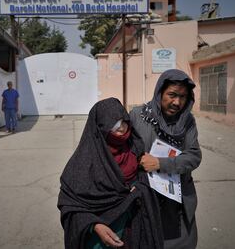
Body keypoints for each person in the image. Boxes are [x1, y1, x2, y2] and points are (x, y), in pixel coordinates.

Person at [58, 98, 164, 249]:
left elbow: (145, 178)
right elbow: (69, 204)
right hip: (99, 238)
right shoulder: (84, 161)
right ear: (100, 129)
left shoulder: (134, 147)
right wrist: (94, 225)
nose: (121, 129)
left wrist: (139, 187)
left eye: (123, 122)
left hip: (135, 228)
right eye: (114, 125)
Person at [130, 69, 202, 249]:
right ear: (160, 92)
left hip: (176, 201)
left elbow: (193, 156)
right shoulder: (138, 116)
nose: (177, 102)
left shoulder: (187, 121)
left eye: (183, 97)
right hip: (144, 197)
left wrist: (160, 164)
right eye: (172, 95)